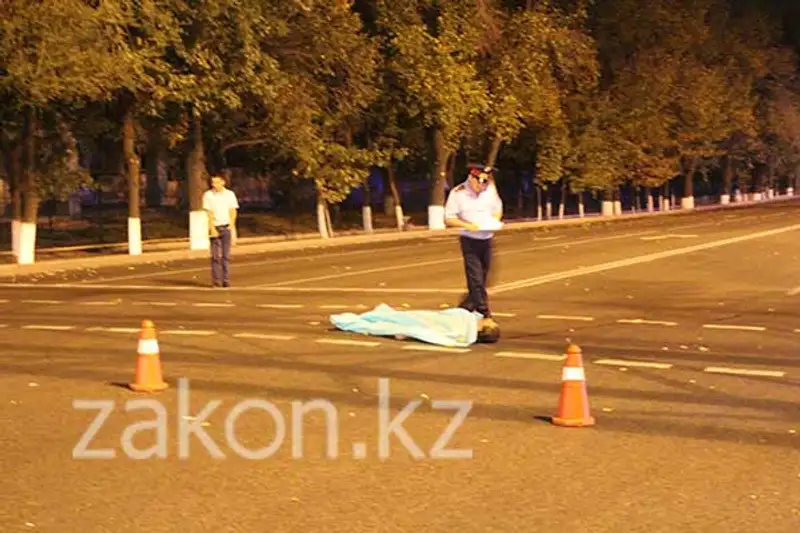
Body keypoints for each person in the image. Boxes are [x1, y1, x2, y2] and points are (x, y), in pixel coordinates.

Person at [444, 165, 503, 319]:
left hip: (487, 239)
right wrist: (468, 226)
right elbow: (449, 218)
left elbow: (497, 208)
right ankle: (484, 312)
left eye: (486, 181)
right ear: (471, 177)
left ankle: (467, 306)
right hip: (470, 240)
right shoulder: (458, 193)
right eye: (481, 181)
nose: (483, 185)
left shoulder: (489, 190)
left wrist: (494, 220)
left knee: (483, 279)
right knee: (475, 278)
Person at [202, 175, 239, 288]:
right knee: (215, 256)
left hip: (226, 227)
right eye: (213, 182)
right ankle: (216, 280)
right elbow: (209, 213)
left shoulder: (229, 194)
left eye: (217, 182)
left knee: (225, 256)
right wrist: (211, 227)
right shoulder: (208, 195)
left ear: (223, 182)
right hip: (215, 227)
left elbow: (232, 210)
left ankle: (226, 279)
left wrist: (231, 225)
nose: (215, 185)